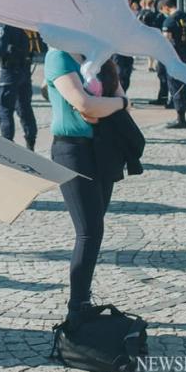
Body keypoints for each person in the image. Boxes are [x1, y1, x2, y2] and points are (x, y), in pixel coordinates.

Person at [44, 48, 129, 322]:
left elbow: (118, 96)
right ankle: (77, 306)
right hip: (72, 151)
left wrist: (114, 104)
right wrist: (117, 105)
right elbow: (86, 105)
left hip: (104, 149)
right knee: (89, 231)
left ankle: (83, 297)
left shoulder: (99, 56)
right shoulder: (58, 56)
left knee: (96, 230)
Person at [0, 23, 37, 150]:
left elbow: (0, 50)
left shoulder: (5, 25)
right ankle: (30, 144)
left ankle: (8, 146)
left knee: (4, 109)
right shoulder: (25, 23)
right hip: (25, 71)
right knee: (25, 108)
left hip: (10, 72)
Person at [158, 0, 186, 129]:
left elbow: (165, 41)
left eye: (162, 11)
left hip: (174, 58)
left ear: (166, 8)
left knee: (175, 86)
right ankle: (182, 116)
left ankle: (180, 119)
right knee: (184, 85)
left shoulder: (170, 21)